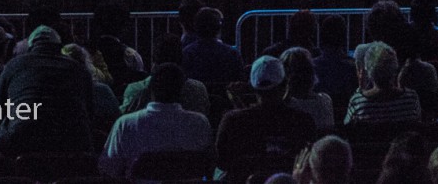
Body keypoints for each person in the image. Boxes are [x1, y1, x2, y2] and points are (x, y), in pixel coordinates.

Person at [98, 63, 212, 180]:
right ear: (181, 90)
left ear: (150, 88)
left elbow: (108, 169)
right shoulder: (200, 123)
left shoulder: (125, 124)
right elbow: (207, 165)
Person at [0, 25, 94, 155]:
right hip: (72, 138)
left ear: (31, 47)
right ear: (59, 47)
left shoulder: (13, 65)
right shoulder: (78, 68)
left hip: (21, 136)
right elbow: (90, 111)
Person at [216, 55, 316, 183]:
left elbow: (222, 162)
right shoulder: (303, 121)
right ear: (285, 84)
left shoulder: (233, 120)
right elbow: (307, 161)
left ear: (252, 86)